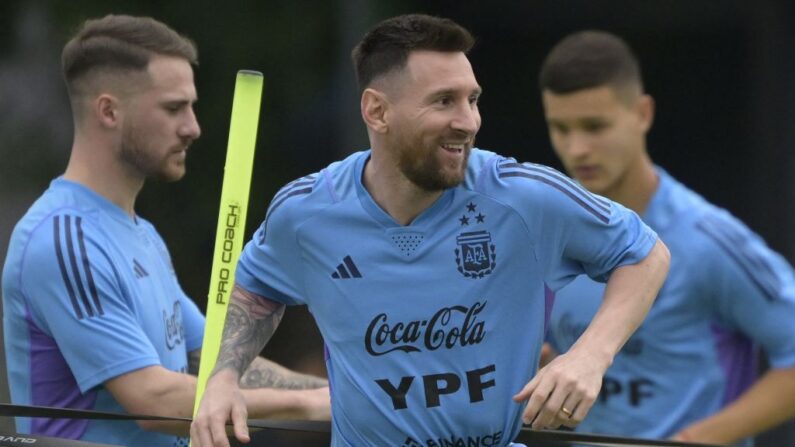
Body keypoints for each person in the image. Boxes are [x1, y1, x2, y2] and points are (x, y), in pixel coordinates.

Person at [191, 14, 670, 447]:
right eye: (444, 101)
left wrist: (590, 355)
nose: (467, 122)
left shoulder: (524, 197)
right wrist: (224, 376)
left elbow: (646, 254)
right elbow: (256, 290)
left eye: (472, 100)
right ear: (376, 111)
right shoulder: (305, 212)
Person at [1, 14, 330, 447]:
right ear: (109, 110)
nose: (193, 127)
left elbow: (215, 364)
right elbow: (154, 401)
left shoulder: (143, 235)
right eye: (174, 108)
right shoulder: (64, 242)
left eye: (191, 107)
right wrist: (311, 406)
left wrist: (346, 394)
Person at [539, 30, 795, 446]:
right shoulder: (547, 236)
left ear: (642, 113)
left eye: (594, 126)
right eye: (560, 128)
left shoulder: (708, 240)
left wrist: (700, 436)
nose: (577, 147)